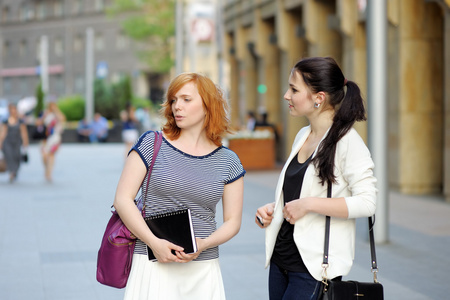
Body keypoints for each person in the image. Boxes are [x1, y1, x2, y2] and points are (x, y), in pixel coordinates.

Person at [113, 72, 246, 300]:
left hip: (202, 269)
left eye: (186, 99)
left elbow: (233, 221)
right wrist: (154, 243)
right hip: (152, 262)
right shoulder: (151, 143)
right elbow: (123, 200)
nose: (177, 107)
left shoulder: (228, 161)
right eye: (174, 100)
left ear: (207, 105)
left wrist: (203, 244)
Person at [255, 57, 377, 300]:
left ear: (318, 98)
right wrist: (274, 209)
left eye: (294, 89)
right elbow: (299, 193)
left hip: (313, 269)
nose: (286, 95)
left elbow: (367, 202)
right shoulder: (302, 135)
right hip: (281, 262)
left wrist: (308, 204)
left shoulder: (347, 141)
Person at [0, 103, 29, 182]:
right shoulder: (5, 121)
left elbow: (23, 132)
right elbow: (3, 132)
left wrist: (25, 142)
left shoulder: (20, 121)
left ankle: (15, 171)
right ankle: (11, 172)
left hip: (17, 142)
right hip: (8, 142)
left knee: (16, 156)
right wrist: (1, 142)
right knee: (9, 157)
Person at [40, 101, 65, 182]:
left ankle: (49, 173)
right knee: (44, 156)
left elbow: (62, 119)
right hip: (45, 138)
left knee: (51, 155)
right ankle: (46, 169)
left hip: (55, 138)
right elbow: (39, 122)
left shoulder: (57, 114)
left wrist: (56, 110)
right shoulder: (45, 113)